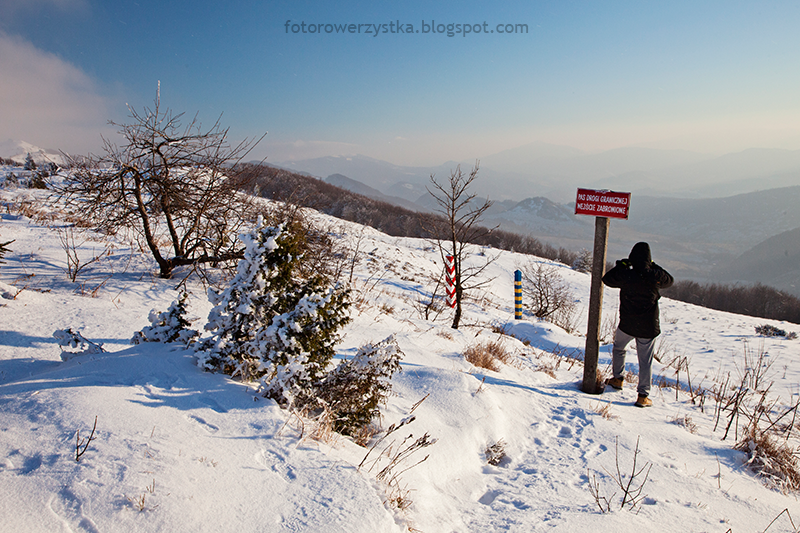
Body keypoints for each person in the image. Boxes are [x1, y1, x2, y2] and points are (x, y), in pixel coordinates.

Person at [601, 242, 673, 407]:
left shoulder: (627, 275)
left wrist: (622, 265)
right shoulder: (653, 277)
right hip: (648, 327)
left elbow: (607, 279)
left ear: (632, 258)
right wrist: (653, 266)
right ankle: (642, 396)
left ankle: (618, 379)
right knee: (645, 361)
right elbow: (669, 279)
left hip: (627, 323)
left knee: (619, 348)